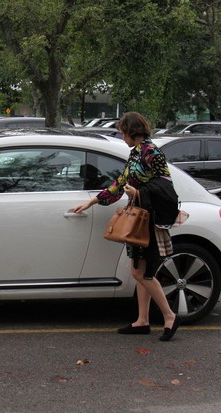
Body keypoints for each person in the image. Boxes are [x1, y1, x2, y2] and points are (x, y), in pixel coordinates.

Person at [73, 111, 181, 342]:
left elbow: (167, 188)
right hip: (138, 219)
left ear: (132, 132)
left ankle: (170, 316)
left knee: (141, 273)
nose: (122, 137)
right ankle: (142, 320)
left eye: (123, 133)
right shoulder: (135, 154)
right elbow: (120, 183)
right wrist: (93, 201)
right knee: (140, 271)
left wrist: (139, 193)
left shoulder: (152, 153)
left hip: (149, 220)